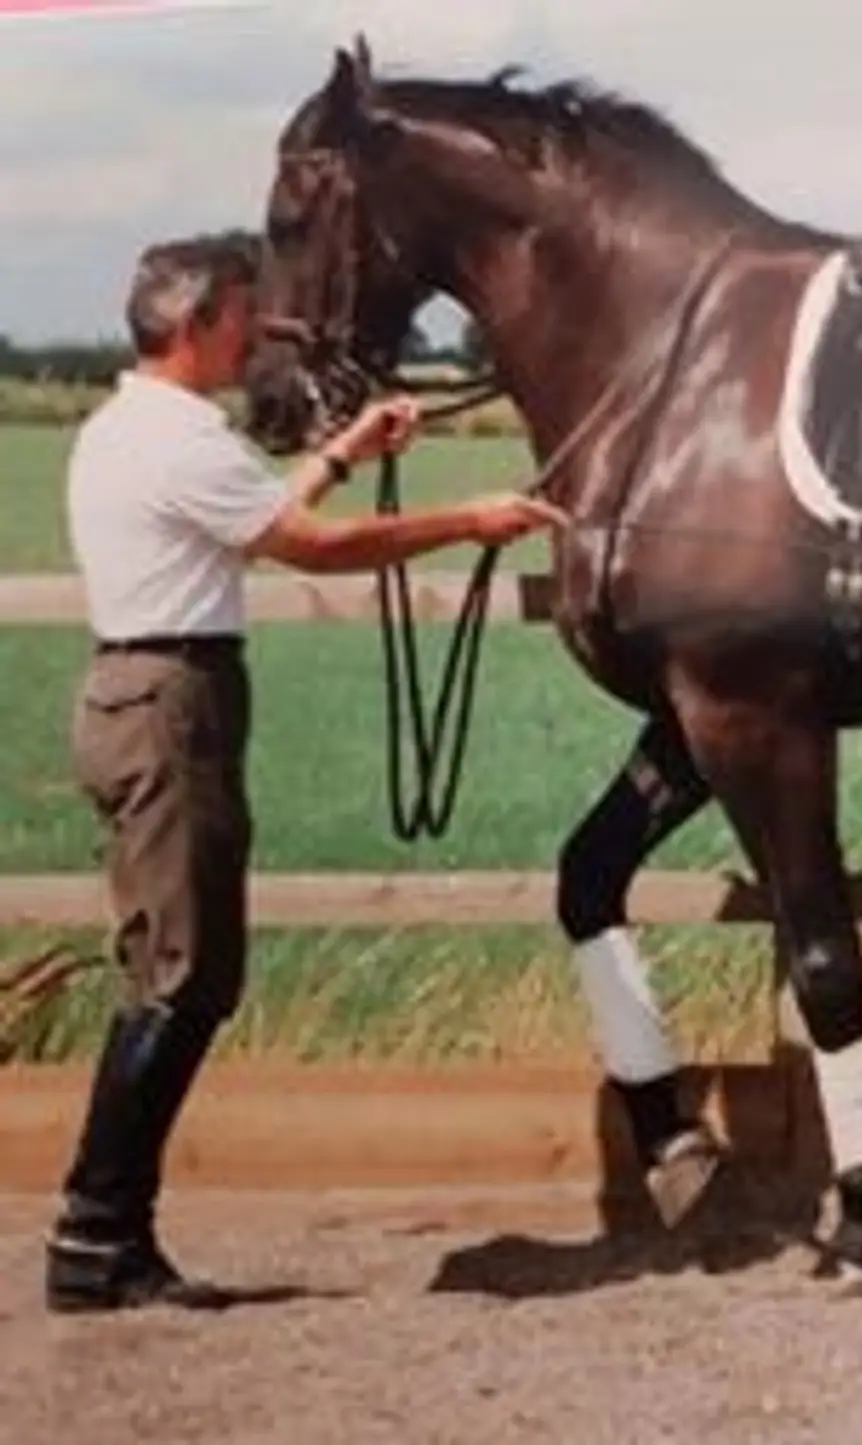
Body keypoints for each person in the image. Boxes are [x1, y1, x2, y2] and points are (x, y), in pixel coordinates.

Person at [46, 229, 566, 1313]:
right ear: (195, 323)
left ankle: (104, 1230)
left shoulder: (127, 426)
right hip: (171, 705)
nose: (255, 335)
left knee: (173, 972)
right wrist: (469, 520)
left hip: (137, 696)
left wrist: (347, 450)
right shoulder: (180, 438)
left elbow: (250, 523)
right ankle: (96, 1233)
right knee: (184, 980)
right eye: (243, 313)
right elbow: (310, 545)